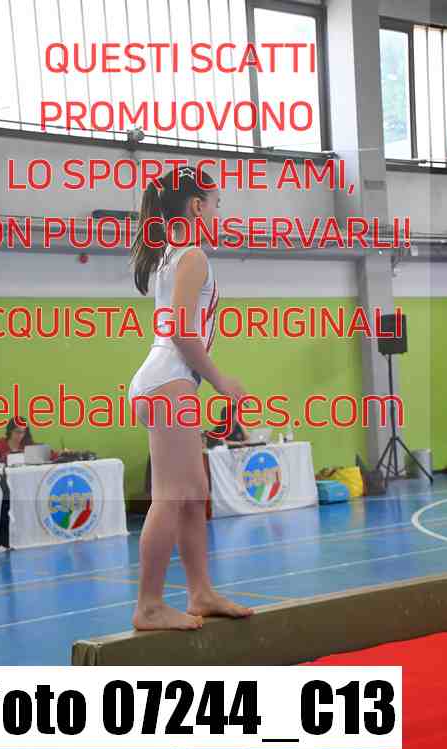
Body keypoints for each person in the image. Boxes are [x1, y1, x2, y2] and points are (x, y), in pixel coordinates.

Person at [128, 166, 253, 631]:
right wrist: (221, 381)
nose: (219, 211)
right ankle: (149, 604)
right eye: (217, 203)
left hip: (165, 380)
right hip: (169, 381)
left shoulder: (170, 255)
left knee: (194, 491)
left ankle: (200, 591)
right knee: (172, 494)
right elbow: (182, 330)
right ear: (197, 206)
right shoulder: (192, 255)